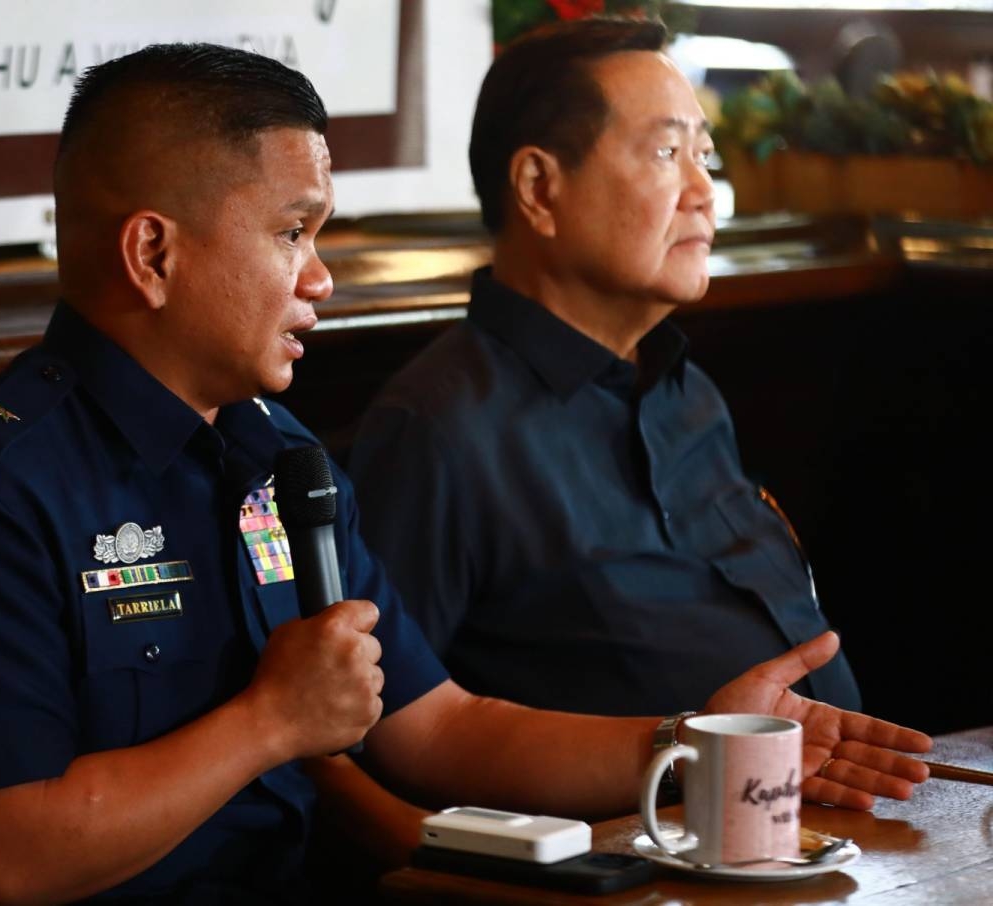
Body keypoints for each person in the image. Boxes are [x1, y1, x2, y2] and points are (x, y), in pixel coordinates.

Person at [0, 42, 930, 906]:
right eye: (290, 230)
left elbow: (440, 725)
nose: (321, 275)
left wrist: (686, 743)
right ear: (153, 255)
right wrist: (268, 724)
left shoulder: (276, 457)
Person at [348, 16, 862, 720]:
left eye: (703, 157)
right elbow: (372, 731)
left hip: (819, 813)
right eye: (664, 153)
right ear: (538, 188)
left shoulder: (688, 393)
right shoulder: (438, 432)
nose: (702, 192)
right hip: (628, 826)